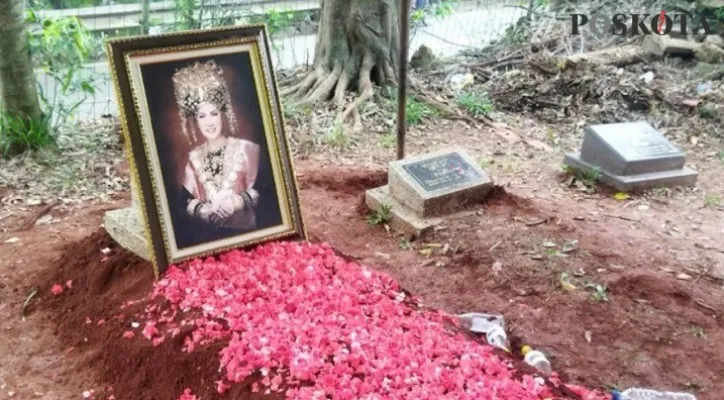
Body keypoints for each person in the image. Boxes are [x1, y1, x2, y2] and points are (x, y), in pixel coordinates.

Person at [171, 59, 261, 242]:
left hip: (247, 235)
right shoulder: (193, 158)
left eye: (214, 113)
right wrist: (204, 209)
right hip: (208, 239)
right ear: (195, 121)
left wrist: (236, 202)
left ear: (222, 114)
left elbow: (266, 190)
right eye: (202, 116)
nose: (210, 122)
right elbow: (184, 202)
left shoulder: (247, 149)